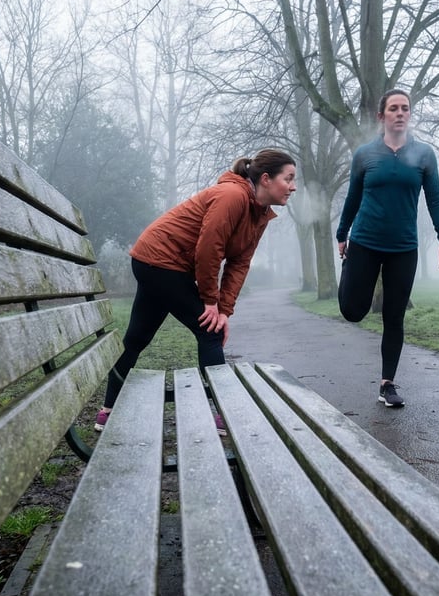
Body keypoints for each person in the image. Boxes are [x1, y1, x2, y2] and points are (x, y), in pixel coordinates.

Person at [96, 149, 297, 435]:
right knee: (209, 331)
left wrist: (225, 310)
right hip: (161, 261)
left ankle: (108, 411)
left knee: (137, 337)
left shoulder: (259, 214)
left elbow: (240, 263)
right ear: (266, 179)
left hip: (158, 263)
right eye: (288, 179)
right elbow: (208, 249)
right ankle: (223, 415)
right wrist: (209, 301)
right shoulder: (232, 196)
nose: (293, 186)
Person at [336, 88, 439, 408]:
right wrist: (342, 233)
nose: (400, 113)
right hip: (364, 243)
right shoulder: (365, 155)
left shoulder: (424, 155)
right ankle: (348, 275)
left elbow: (435, 198)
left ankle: (387, 384)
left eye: (405, 108)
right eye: (394, 109)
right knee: (352, 311)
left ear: (409, 115)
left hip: (403, 247)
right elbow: (353, 198)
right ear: (381, 116)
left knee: (394, 316)